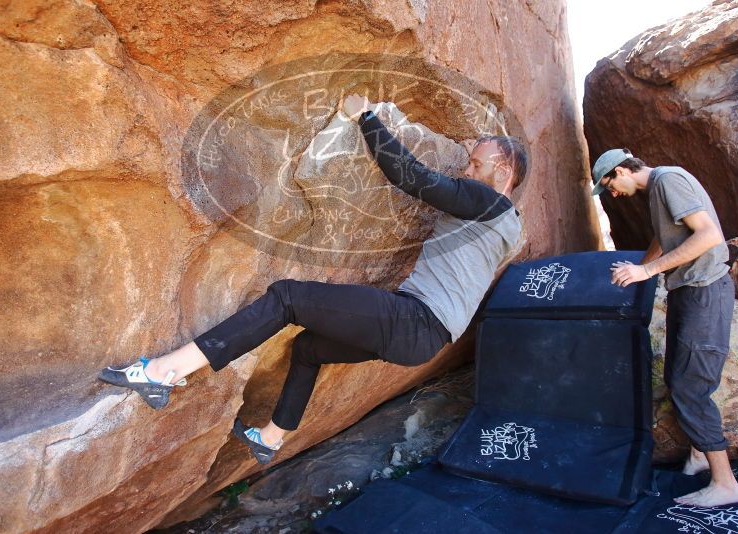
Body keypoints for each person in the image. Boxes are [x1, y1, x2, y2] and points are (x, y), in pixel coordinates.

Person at [99, 94, 527, 464]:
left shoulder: (486, 199)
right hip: (426, 343)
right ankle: (270, 440)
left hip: (414, 320)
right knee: (307, 349)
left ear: (503, 173)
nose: (467, 170)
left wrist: (365, 117)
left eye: (476, 164)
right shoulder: (510, 227)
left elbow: (411, 177)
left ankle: (163, 372)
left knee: (288, 298)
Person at [592, 148, 738, 507]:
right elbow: (666, 237)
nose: (612, 194)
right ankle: (697, 456)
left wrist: (645, 272)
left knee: (692, 388)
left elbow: (708, 236)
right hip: (687, 291)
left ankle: (725, 484)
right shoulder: (659, 189)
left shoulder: (668, 179)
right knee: (679, 379)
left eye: (609, 184)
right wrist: (640, 269)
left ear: (621, 170)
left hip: (705, 291)